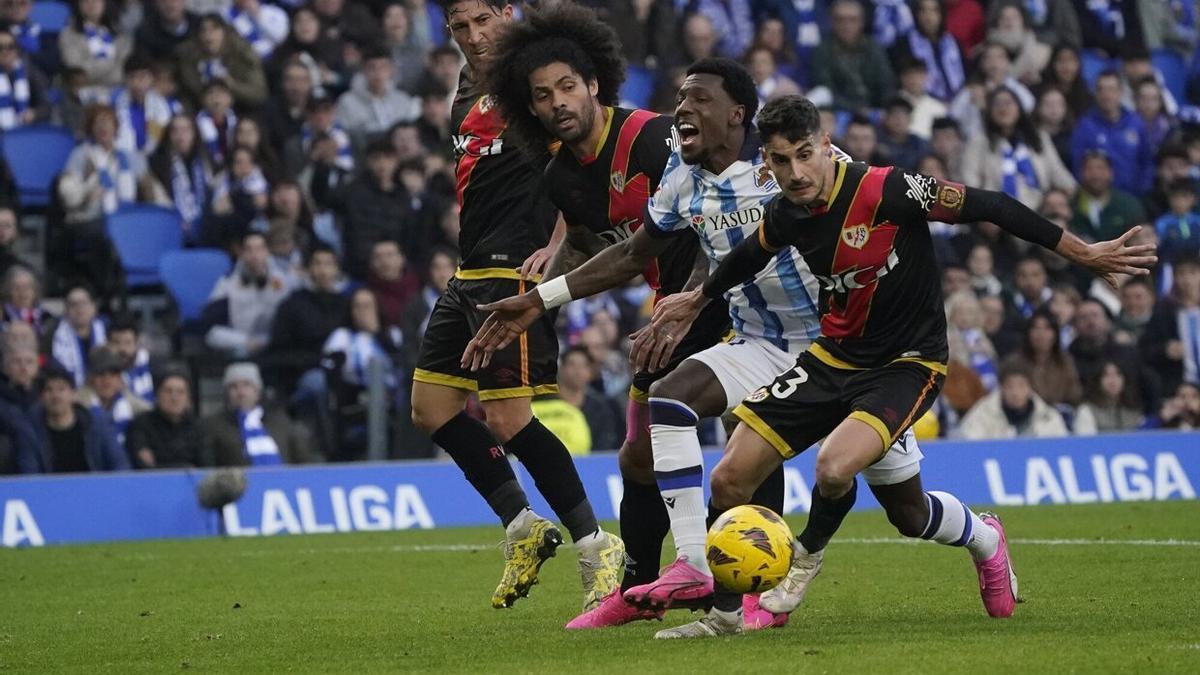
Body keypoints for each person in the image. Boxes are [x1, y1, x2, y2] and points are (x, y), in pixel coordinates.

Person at [637, 94, 1153, 636]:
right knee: (731, 481)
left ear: (826, 146)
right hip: (832, 359)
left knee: (849, 477)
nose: (795, 172)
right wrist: (698, 297)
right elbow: (751, 254)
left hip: (908, 363)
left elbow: (992, 204)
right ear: (766, 161)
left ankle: (835, 554)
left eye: (805, 154)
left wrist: (1082, 253)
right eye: (781, 160)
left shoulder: (886, 189)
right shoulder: (786, 212)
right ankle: (723, 617)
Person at [466, 46, 913, 631]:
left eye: (565, 88)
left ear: (593, 86)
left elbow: (757, 236)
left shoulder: (683, 146)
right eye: (541, 96)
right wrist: (538, 295)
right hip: (723, 318)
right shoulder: (575, 175)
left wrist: (696, 294)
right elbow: (628, 250)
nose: (682, 108)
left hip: (817, 336)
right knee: (657, 439)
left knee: (904, 505)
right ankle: (680, 577)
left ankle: (977, 541)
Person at [407, 0, 621, 612]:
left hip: (514, 272)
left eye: (483, 20)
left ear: (508, 12)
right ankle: (522, 526)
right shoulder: (468, 87)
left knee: (506, 418)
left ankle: (595, 545)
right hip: (469, 269)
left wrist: (557, 248)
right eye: (460, 27)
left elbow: (583, 156)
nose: (473, 37)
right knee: (431, 407)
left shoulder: (539, 77)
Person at [962, 86, 1076, 211]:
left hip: (1039, 210)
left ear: (1019, 108)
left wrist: (1062, 194)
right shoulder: (978, 142)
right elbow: (970, 183)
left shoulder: (1038, 138)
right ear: (990, 111)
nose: (1003, 108)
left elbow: (1058, 173)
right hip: (995, 214)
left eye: (1008, 103)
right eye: (997, 104)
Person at [200, 231, 295, 359]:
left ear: (267, 252)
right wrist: (244, 341)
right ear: (242, 253)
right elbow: (210, 324)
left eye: (259, 249)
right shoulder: (228, 283)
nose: (254, 255)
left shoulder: (284, 281)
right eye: (249, 250)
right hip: (242, 342)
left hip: (275, 342)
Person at [19, 364, 129, 473]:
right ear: (41, 397)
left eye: (61, 389)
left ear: (73, 394)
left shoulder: (97, 425)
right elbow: (30, 475)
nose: (55, 396)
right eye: (49, 390)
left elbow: (120, 465)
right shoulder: (31, 432)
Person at [203, 361, 307, 466]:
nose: (241, 393)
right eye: (234, 387)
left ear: (257, 391)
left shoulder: (281, 422)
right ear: (227, 393)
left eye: (246, 385)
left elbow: (304, 460)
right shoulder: (214, 426)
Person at [1070, 71, 1153, 196]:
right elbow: (1078, 166)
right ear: (1095, 94)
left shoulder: (1136, 123)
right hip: (1096, 198)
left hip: (1132, 198)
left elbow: (1146, 163)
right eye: (1101, 90)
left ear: (1120, 92)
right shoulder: (1084, 126)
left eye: (1111, 89)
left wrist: (1142, 193)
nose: (1106, 95)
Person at [807, 0, 895, 112]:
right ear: (832, 22)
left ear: (862, 22)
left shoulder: (874, 48)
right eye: (840, 20)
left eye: (853, 20)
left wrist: (885, 108)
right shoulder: (822, 50)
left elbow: (886, 84)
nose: (846, 25)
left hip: (874, 110)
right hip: (839, 111)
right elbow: (827, 90)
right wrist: (856, 109)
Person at [175, 13, 267, 111]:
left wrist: (232, 85)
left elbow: (259, 94)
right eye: (203, 30)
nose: (208, 35)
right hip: (199, 110)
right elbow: (186, 90)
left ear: (225, 32)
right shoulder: (188, 55)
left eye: (214, 29)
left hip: (241, 109)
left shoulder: (242, 54)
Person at [334, 47, 418, 150]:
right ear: (363, 70)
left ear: (391, 70)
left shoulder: (403, 100)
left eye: (383, 67)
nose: (378, 73)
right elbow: (344, 138)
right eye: (372, 67)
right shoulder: (347, 102)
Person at [147, 114, 213, 243]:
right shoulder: (157, 162)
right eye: (175, 131)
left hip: (204, 222)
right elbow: (159, 199)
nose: (180, 136)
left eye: (185, 130)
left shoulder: (206, 161)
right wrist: (177, 219)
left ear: (194, 134)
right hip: (170, 222)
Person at [958, 362, 1069, 439]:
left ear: (1030, 388)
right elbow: (969, 443)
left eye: (1021, 386)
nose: (1015, 393)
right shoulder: (982, 414)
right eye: (1010, 386)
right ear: (1001, 388)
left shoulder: (1047, 416)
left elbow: (1061, 448)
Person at [1140, 254, 1200, 396]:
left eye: (1192, 272)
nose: (1187, 280)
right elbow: (1145, 349)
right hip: (1178, 386)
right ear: (1174, 278)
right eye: (1181, 274)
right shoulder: (1164, 311)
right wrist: (1165, 350)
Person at [125, 368, 207, 468]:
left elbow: (205, 466)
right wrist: (187, 466)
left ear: (188, 399)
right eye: (168, 391)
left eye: (180, 392)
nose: (174, 398)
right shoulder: (140, 425)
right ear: (157, 395)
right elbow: (143, 465)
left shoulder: (199, 427)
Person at [1001, 308, 1082, 407]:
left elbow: (1075, 395)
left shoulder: (1065, 362)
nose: (1041, 334)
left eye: (1047, 328)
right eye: (1035, 328)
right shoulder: (1013, 363)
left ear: (1055, 333)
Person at [554, 345, 623, 453]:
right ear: (561, 368)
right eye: (572, 365)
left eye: (583, 366)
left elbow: (607, 443)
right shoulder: (545, 405)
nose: (578, 371)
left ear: (590, 372)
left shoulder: (602, 407)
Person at [1069, 150, 1148, 243]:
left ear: (1111, 173)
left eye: (1100, 168)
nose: (1095, 174)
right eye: (1089, 168)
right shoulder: (1071, 204)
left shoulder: (1128, 205)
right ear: (1080, 173)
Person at [78, 344, 149, 447]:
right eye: (101, 373)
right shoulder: (79, 403)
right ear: (91, 378)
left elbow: (151, 412)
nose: (106, 380)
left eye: (112, 374)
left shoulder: (127, 398)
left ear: (120, 378)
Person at [58, 0, 132, 89]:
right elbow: (77, 70)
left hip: (118, 90)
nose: (91, 3)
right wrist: (109, 64)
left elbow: (126, 67)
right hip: (84, 91)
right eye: (86, 1)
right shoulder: (68, 34)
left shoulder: (120, 33)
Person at [47, 285, 106, 388]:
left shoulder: (106, 329)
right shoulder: (53, 335)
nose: (79, 309)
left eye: (84, 303)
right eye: (74, 305)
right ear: (66, 310)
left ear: (93, 307)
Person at [1073, 360, 1143, 434]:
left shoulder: (1133, 410)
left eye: (1118, 374)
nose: (1113, 380)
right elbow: (1086, 442)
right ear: (1098, 380)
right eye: (1106, 375)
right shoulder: (1087, 410)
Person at [367, 239, 419, 328]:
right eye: (378, 257)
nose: (384, 261)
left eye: (389, 255)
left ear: (402, 259)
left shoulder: (419, 287)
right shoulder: (366, 293)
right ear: (371, 263)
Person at [105, 313, 153, 404]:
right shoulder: (101, 376)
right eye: (116, 343)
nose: (122, 349)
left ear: (137, 344)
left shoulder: (152, 366)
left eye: (128, 343)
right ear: (108, 344)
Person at [1155, 178, 1200, 264]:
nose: (1180, 201)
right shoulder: (1162, 223)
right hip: (1169, 263)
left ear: (1194, 199)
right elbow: (1158, 245)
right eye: (1175, 197)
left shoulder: (1198, 221)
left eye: (1184, 196)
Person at [223, 0, 288, 59]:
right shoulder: (229, 17)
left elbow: (280, 38)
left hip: (276, 57)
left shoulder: (274, 11)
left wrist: (258, 16)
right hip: (248, 61)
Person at [2, 265, 50, 336]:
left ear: (35, 291)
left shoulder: (47, 317)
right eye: (16, 288)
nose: (22, 292)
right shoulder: (2, 316)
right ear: (9, 291)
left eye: (26, 287)